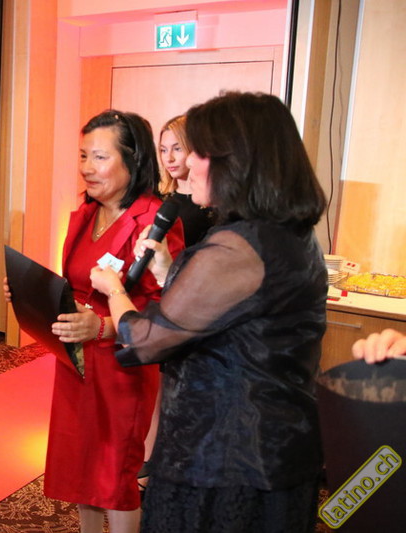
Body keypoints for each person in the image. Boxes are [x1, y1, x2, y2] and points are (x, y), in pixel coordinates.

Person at [89, 92, 327, 533]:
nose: (187, 164)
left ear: (235, 161)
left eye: (197, 152)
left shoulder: (237, 245)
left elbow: (146, 340)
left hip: (228, 455)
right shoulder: (288, 233)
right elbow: (230, 316)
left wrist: (114, 291)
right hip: (277, 444)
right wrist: (167, 272)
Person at [7, 110, 185, 533]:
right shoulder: (86, 214)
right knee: (82, 469)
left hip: (122, 368)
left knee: (115, 474)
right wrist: (33, 295)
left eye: (100, 157)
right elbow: (74, 286)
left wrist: (101, 326)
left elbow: (166, 312)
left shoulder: (154, 222)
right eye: (83, 156)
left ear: (133, 161)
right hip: (76, 362)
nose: (87, 167)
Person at [157, 115, 214, 246]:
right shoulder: (159, 197)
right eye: (163, 150)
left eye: (177, 149)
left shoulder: (211, 204)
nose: (169, 158)